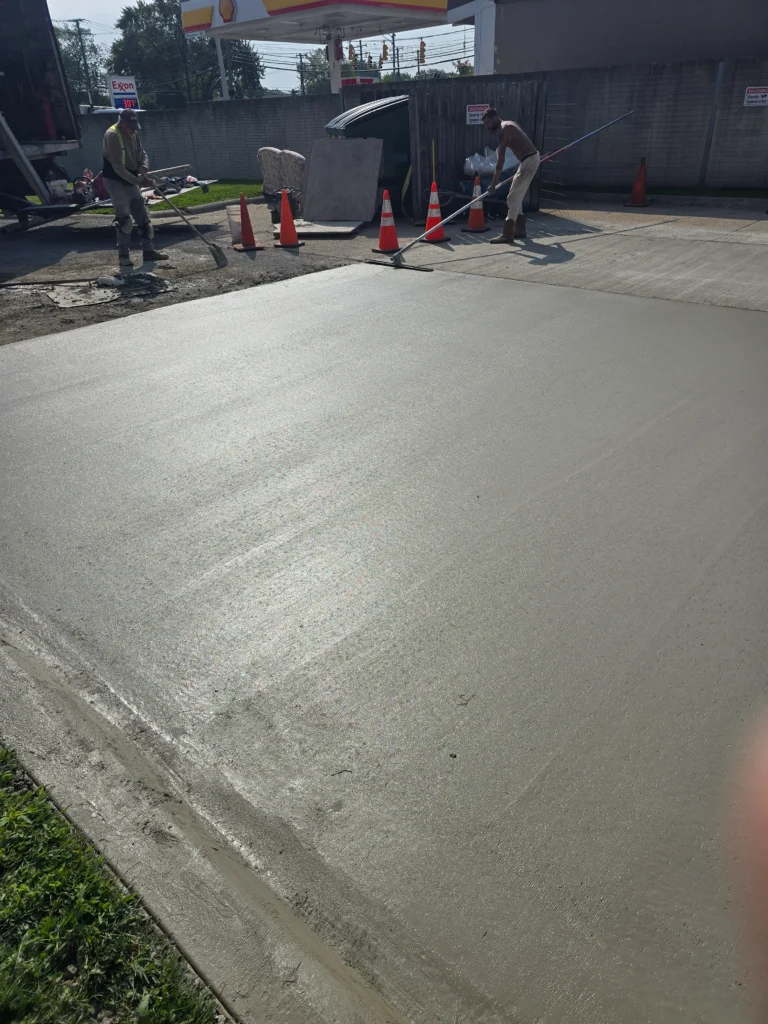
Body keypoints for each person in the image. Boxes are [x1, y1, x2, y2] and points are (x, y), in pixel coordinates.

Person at [102, 108, 167, 271]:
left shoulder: (133, 133)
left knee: (142, 214)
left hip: (131, 178)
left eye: (134, 127)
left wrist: (143, 167)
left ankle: (148, 251)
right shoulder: (112, 135)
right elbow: (117, 167)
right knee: (124, 219)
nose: (133, 130)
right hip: (115, 180)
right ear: (122, 122)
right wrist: (139, 181)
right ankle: (124, 257)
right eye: (130, 126)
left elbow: (143, 153)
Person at [481, 107, 540, 245]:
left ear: (495, 118)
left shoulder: (504, 131)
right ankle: (520, 230)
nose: (487, 127)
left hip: (529, 161)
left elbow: (500, 162)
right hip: (528, 160)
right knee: (514, 196)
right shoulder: (510, 123)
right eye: (485, 124)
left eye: (488, 123)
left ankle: (507, 234)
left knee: (513, 197)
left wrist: (493, 184)